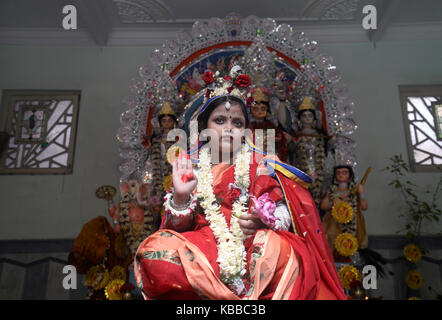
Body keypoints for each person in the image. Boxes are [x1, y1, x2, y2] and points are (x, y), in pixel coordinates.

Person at [134, 66, 346, 300]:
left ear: (245, 131)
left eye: (237, 123)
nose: (228, 128)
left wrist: (265, 219)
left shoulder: (261, 164)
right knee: (153, 251)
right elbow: (177, 228)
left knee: (281, 249)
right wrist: (181, 198)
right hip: (204, 248)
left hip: (252, 246)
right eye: (220, 120)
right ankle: (226, 297)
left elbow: (287, 214)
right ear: (204, 128)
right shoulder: (191, 167)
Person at [320, 165, 368, 262]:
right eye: (338, 173)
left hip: (352, 224)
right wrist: (332, 203)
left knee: (351, 248)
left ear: (350, 176)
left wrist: (361, 193)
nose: (341, 175)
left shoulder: (354, 191)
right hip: (334, 225)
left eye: (344, 173)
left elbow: (364, 207)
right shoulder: (331, 190)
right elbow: (323, 206)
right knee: (333, 248)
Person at [249, 87, 288, 162]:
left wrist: (276, 139)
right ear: (251, 111)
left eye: (263, 109)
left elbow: (281, 140)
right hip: (252, 159)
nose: (259, 112)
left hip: (270, 158)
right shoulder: (249, 126)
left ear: (268, 110)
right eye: (256, 109)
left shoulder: (271, 126)